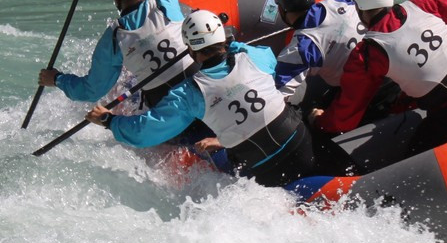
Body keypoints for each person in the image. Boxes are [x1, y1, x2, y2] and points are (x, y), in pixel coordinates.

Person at [86, 10, 355, 186]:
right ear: (223, 38)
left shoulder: (187, 93)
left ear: (190, 49)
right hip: (302, 144)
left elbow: (146, 131)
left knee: (198, 146)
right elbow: (265, 55)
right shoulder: (254, 57)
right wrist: (234, 45)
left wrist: (110, 122)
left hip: (263, 171)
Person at [318, 0, 447, 157]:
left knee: (411, 155)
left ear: (359, 7)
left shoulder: (367, 53)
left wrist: (321, 122)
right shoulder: (422, 5)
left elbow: (347, 114)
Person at [38, 0, 192, 110]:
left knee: (123, 79)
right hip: (203, 85)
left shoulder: (112, 38)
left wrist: (57, 79)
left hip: (164, 108)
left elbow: (92, 91)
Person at [272, 0, 364, 111]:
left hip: (357, 89)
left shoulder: (300, 49)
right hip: (383, 59)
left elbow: (275, 97)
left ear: (282, 9)